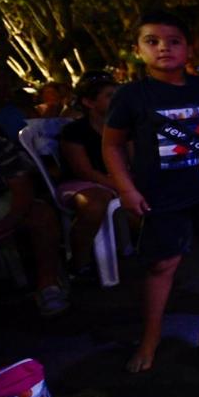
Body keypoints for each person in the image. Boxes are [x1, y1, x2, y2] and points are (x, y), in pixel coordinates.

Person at [103, 11, 199, 373]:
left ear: (188, 48)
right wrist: (125, 189)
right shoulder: (131, 96)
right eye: (152, 41)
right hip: (160, 193)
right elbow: (111, 145)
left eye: (173, 41)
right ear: (138, 49)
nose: (163, 49)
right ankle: (151, 337)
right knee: (162, 264)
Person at [0, 133, 68, 316]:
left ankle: (48, 285)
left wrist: (11, 220)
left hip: (1, 200)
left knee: (41, 214)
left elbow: (22, 187)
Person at [57, 72, 120, 277]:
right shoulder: (74, 131)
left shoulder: (123, 127)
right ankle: (78, 264)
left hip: (117, 179)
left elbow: (133, 159)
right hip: (82, 183)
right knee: (94, 203)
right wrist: (120, 184)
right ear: (89, 102)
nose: (117, 99)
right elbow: (83, 170)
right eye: (110, 95)